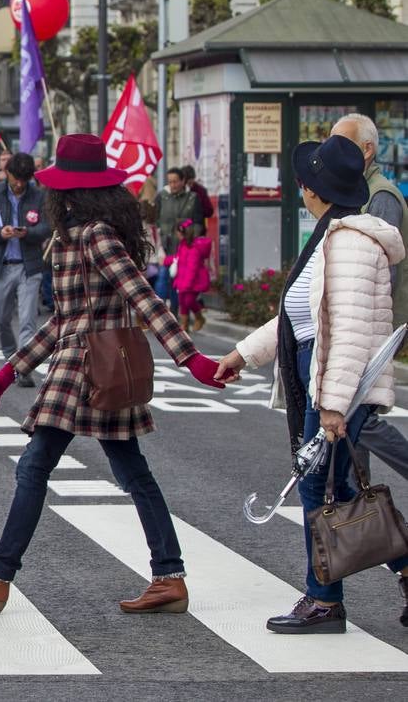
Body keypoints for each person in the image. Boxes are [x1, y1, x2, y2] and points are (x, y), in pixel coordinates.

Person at [0, 134, 225, 615]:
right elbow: (66, 318)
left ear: (66, 190)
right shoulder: (83, 233)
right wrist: (12, 370)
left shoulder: (92, 234)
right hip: (99, 365)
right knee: (132, 471)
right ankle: (169, 576)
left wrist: (189, 357)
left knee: (36, 465)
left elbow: (142, 297)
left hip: (84, 367)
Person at [216, 133, 408, 634]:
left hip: (332, 382)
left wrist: (332, 406)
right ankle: (398, 574)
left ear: (315, 190)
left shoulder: (345, 243)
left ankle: (324, 601)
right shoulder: (330, 237)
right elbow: (297, 320)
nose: (301, 190)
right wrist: (243, 354)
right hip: (322, 376)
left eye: (304, 183)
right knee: (340, 488)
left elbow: (346, 333)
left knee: (318, 488)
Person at [329, 113, 408, 486]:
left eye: (342, 146)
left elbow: (384, 273)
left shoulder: (381, 197)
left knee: (358, 415)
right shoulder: (357, 193)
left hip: (372, 325)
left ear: (367, 149)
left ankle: (350, 494)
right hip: (360, 322)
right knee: (352, 417)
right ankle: (355, 502)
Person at [0, 153, 49, 384]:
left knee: (28, 320)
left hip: (29, 266)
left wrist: (29, 233)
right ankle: (11, 357)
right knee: (1, 320)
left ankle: (23, 369)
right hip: (0, 265)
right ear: (7, 173)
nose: (20, 184)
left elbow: (48, 226)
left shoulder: (39, 196)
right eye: (16, 179)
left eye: (24, 180)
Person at [150, 167, 201, 315]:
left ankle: (175, 313)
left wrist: (190, 236)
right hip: (166, 247)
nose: (173, 185)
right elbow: (155, 220)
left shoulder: (192, 198)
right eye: (170, 182)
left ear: (183, 181)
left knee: (178, 283)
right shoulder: (162, 196)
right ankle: (158, 314)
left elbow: (198, 223)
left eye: (176, 181)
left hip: (185, 248)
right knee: (162, 279)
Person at [167, 219, 214, 332]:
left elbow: (192, 268)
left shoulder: (193, 248)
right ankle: (184, 324)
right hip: (183, 279)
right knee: (183, 301)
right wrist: (167, 260)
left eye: (178, 232)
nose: (176, 235)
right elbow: (179, 259)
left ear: (182, 233)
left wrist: (186, 284)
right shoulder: (183, 245)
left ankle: (199, 318)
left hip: (193, 281)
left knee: (189, 301)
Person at [180, 165, 212, 230]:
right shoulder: (178, 191)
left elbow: (209, 211)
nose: (191, 186)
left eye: (192, 182)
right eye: (189, 183)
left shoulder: (200, 191)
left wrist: (198, 210)